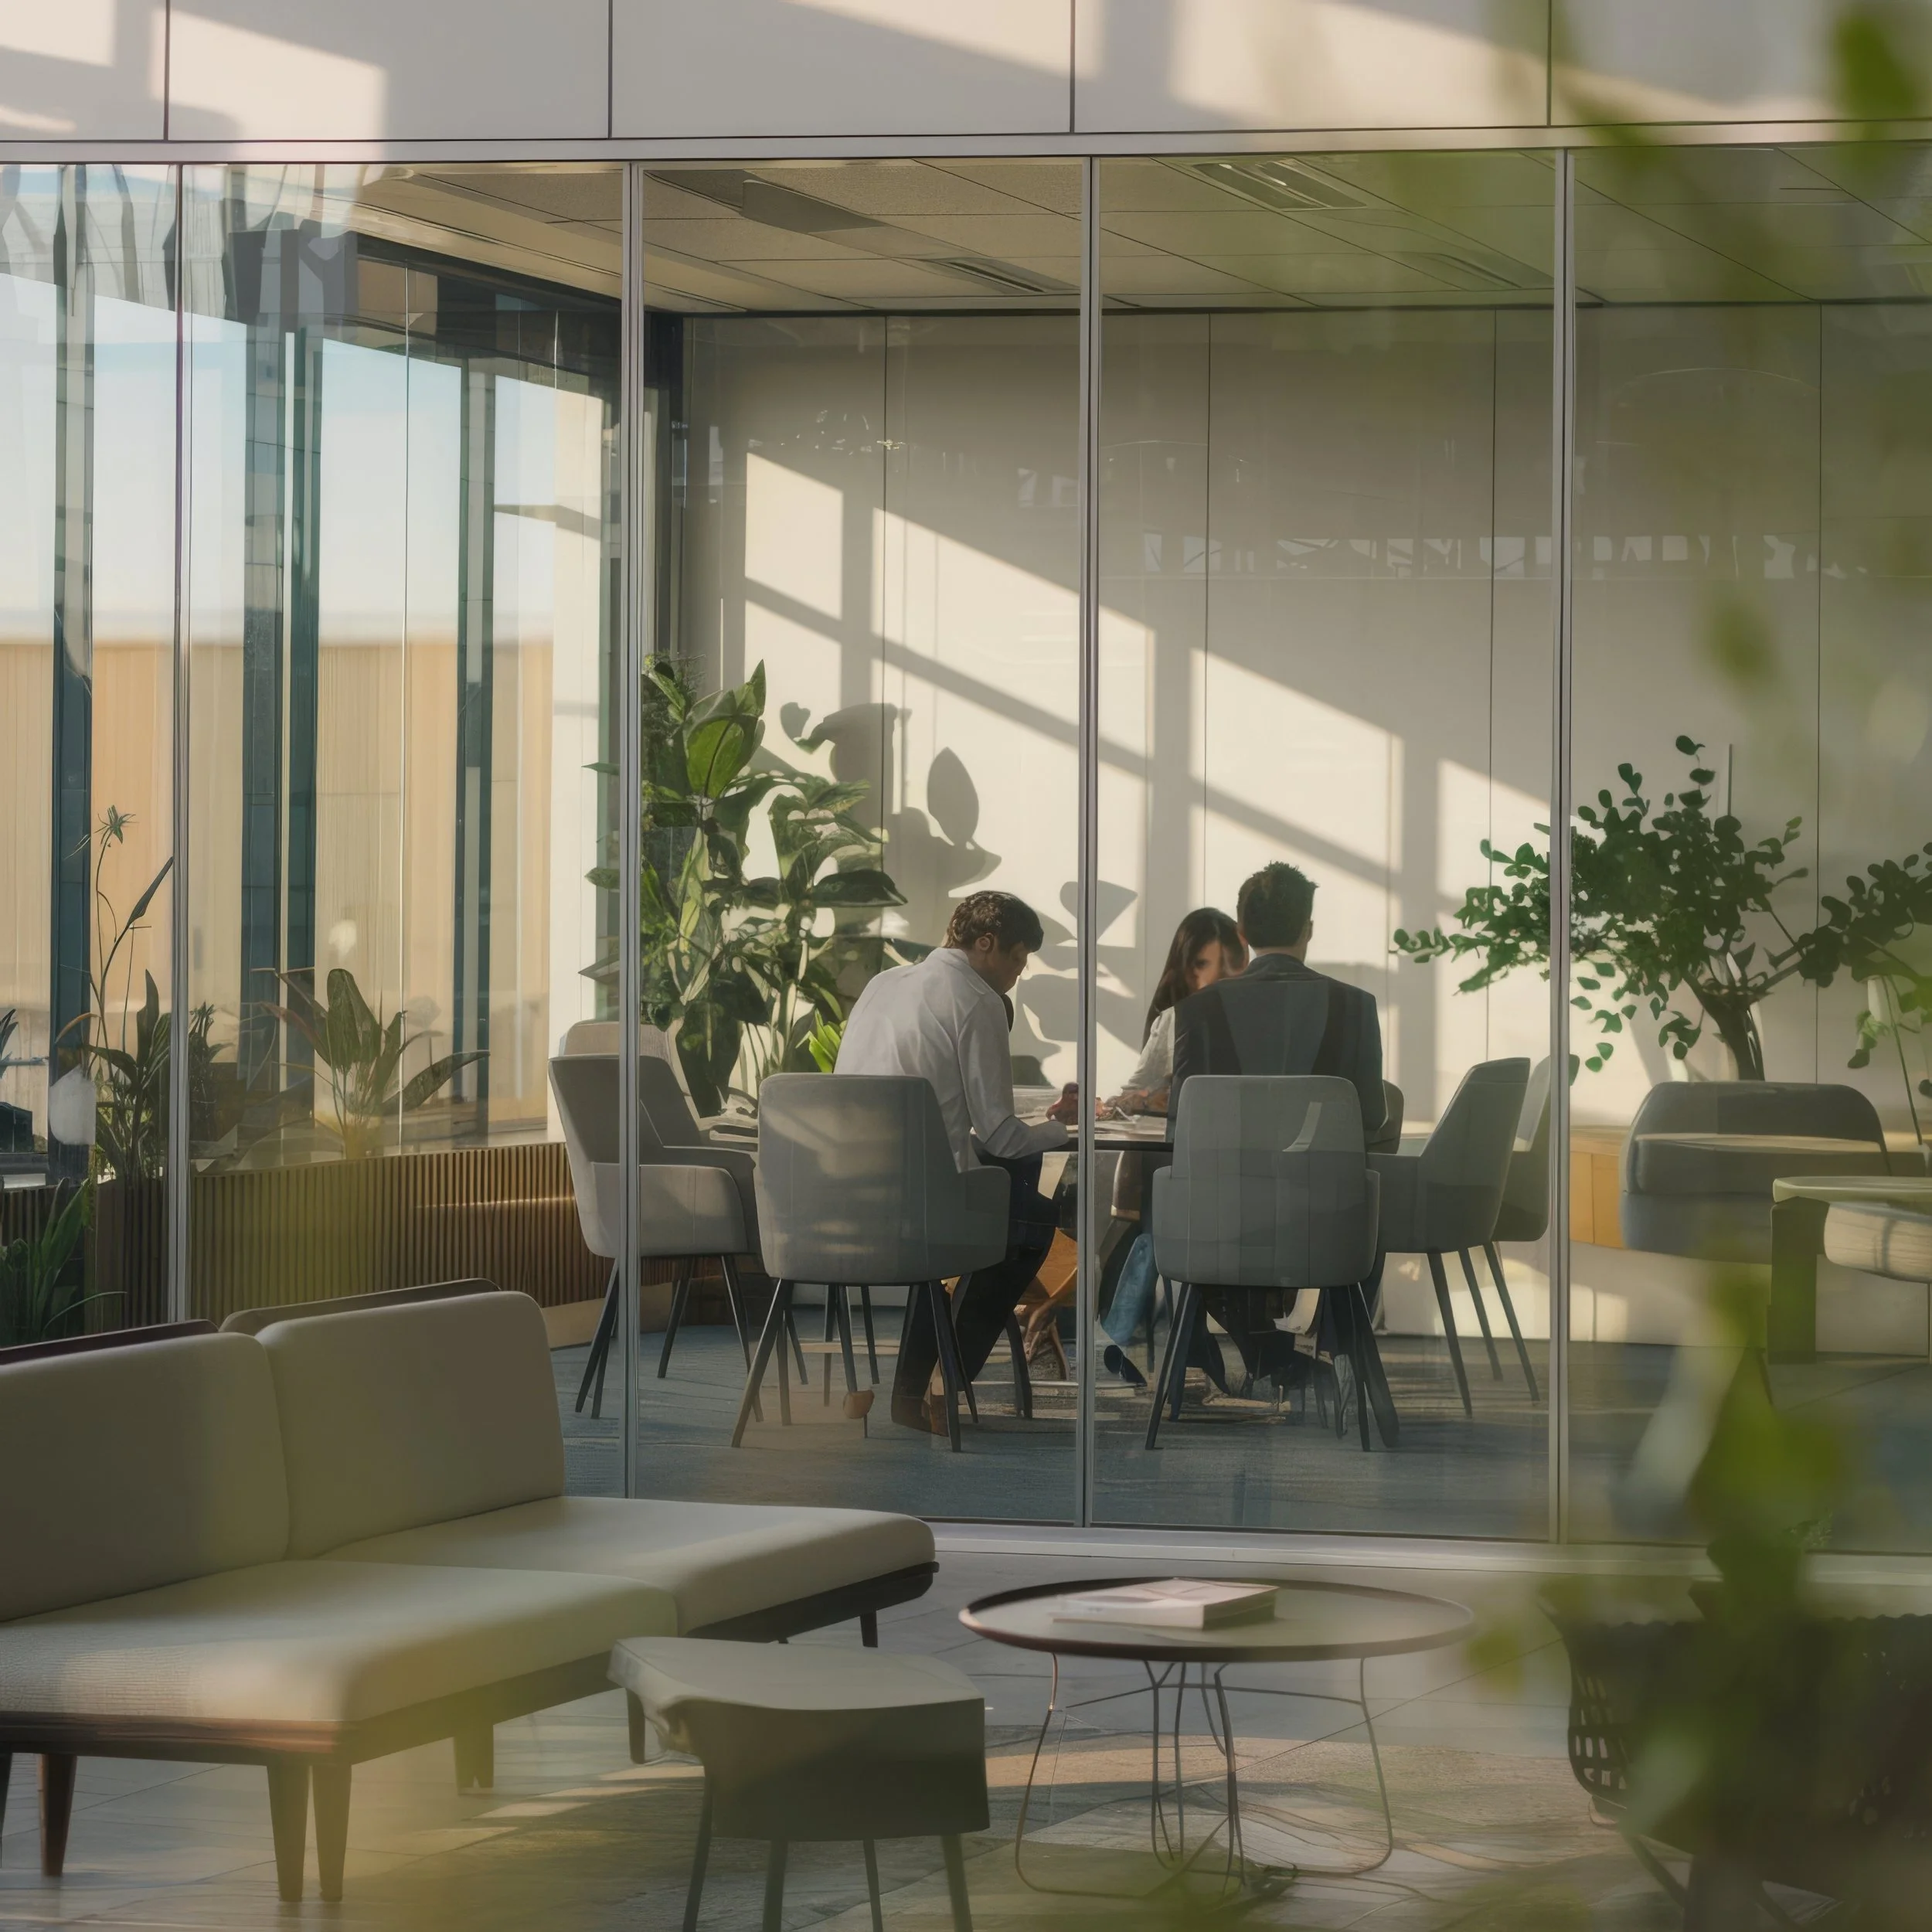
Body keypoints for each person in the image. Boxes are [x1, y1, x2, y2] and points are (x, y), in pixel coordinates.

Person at [835, 889, 1073, 1433]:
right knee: (1029, 1222)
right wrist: (1067, 1130)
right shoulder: (977, 999)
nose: (1019, 971)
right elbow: (1001, 1135)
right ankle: (947, 1382)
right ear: (986, 944)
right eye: (1018, 957)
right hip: (923, 1203)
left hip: (847, 1195)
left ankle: (913, 1395)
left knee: (997, 1212)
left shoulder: (883, 985)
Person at [1166, 861, 1386, 1386]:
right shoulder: (1356, 1007)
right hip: (1325, 1225)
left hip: (1225, 1226)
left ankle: (1261, 1353)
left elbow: (1183, 1124)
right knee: (1370, 1190)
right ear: (1308, 928)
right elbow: (1371, 1119)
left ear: (1242, 933)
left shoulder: (1199, 1009)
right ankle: (1343, 1356)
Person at [1095, 909, 1247, 1387]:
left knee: (1155, 1233)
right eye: (1204, 964)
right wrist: (1151, 1097)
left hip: (1231, 1179)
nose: (1218, 977)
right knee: (1154, 1227)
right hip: (1190, 1173)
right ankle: (1191, 1351)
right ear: (1184, 969)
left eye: (1229, 963)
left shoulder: (1257, 1017)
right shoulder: (1177, 1020)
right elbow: (1129, 1095)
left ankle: (1122, 1340)